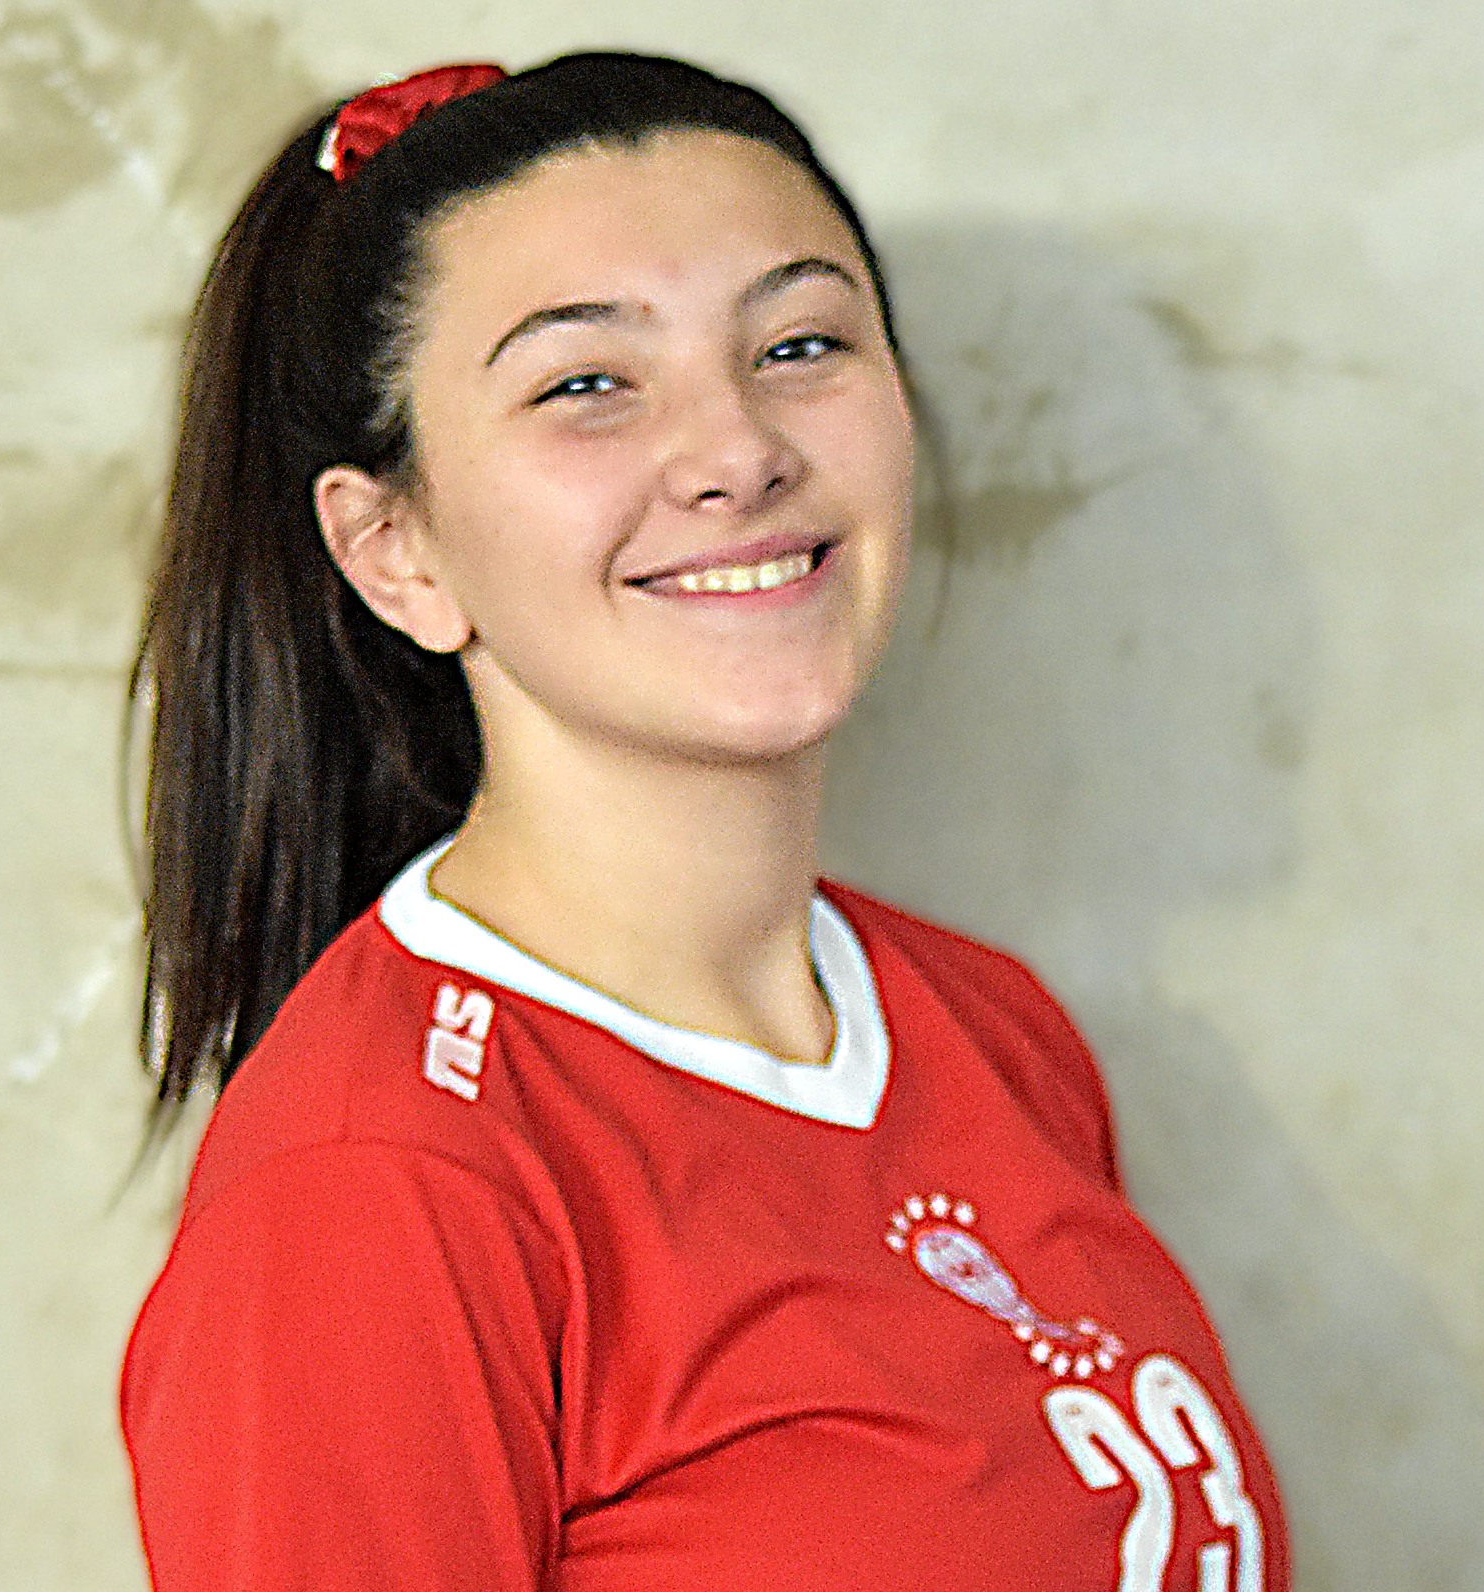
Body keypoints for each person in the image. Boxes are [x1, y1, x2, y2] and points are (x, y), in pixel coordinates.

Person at [119, 51, 1289, 1591]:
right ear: (397, 550)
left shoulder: (996, 1032)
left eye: (799, 345)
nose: (739, 450)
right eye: (586, 384)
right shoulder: (378, 1182)